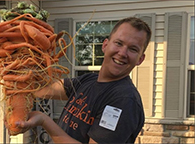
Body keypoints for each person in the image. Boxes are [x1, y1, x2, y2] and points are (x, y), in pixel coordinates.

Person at [15, 17, 152, 143]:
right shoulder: (89, 80)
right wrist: (20, 60)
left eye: (133, 49)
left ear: (140, 59)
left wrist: (44, 120)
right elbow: (42, 90)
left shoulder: (124, 100)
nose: (122, 53)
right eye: (119, 43)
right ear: (105, 45)